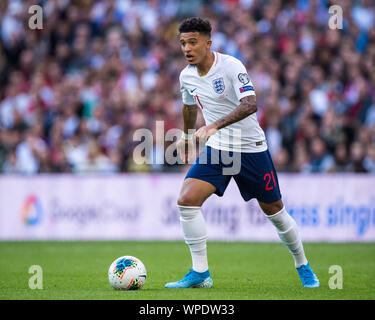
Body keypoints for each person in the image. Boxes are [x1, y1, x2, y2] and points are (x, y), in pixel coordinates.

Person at [164, 18, 319, 289]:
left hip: (250, 149)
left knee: (276, 213)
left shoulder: (231, 66)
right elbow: (188, 106)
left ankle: (302, 264)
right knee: (187, 201)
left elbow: (250, 105)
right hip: (220, 149)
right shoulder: (186, 76)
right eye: (183, 43)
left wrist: (212, 125)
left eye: (193, 42)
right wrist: (189, 135)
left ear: (208, 43)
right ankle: (200, 273)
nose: (187, 48)